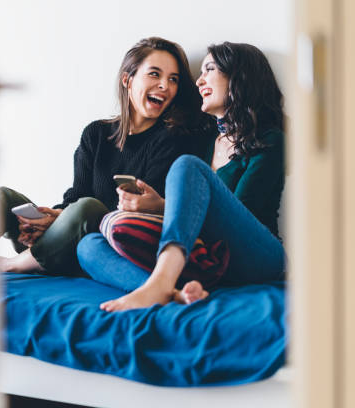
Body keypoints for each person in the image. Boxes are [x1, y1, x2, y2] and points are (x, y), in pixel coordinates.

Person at [77, 42, 286, 310]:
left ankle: (160, 283)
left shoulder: (270, 140)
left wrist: (162, 205)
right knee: (88, 246)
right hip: (204, 257)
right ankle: (171, 292)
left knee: (186, 166)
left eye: (209, 69)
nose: (199, 81)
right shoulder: (203, 139)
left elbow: (241, 213)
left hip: (256, 256)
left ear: (239, 77)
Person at [0, 37, 209, 276]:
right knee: (3, 197)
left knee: (89, 208)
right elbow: (77, 194)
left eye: (173, 79)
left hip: (98, 246)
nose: (165, 86)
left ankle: (10, 265)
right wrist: (51, 218)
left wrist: (70, 216)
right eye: (155, 74)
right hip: (64, 237)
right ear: (127, 79)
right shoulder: (96, 133)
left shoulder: (171, 139)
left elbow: (133, 213)